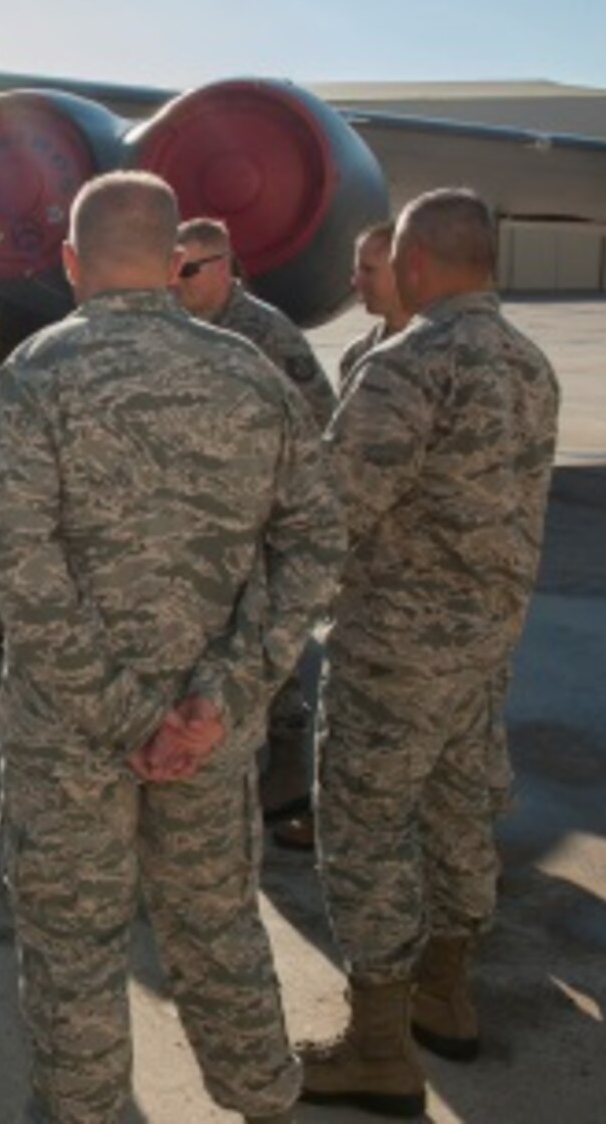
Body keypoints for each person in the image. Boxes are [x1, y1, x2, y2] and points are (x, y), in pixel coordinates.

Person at [0, 172, 344, 1124]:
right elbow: (316, 541)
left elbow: (21, 570)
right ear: (176, 261)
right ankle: (267, 1103)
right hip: (208, 739)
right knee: (220, 934)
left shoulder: (35, 375)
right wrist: (221, 696)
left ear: (72, 262)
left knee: (75, 958)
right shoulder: (251, 374)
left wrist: (126, 716)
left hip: (74, 741)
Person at [299, 189, 559, 1117]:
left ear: (414, 265)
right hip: (485, 647)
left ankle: (376, 1049)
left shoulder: (410, 365)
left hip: (395, 655)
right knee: (457, 816)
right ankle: (447, 993)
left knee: (366, 831)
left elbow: (332, 510)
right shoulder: (531, 365)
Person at [172, 216, 339, 824]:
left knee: (272, 655)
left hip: (258, 527)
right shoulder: (183, 332)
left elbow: (319, 422)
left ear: (225, 266)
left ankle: (291, 774)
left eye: (189, 268)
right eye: (173, 267)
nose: (178, 280)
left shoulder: (266, 334)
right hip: (201, 533)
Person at [272, 219, 412, 854]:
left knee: (422, 732)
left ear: (412, 269)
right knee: (352, 723)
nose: (354, 283)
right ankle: (334, 819)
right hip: (363, 583)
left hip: (415, 584)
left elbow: (348, 485)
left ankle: (433, 860)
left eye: (369, 270)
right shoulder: (364, 354)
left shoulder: (436, 361)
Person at [338, 221, 412, 389]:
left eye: (369, 270)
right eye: (357, 271)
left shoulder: (448, 349)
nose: (355, 281)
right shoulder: (356, 355)